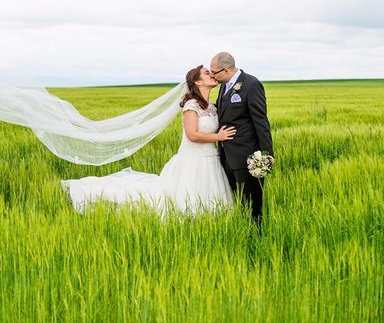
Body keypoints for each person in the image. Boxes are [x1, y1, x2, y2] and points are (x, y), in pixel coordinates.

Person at [61, 65, 237, 215]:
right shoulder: (191, 106)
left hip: (211, 160)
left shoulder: (212, 107)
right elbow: (192, 135)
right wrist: (218, 137)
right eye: (207, 72)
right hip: (192, 160)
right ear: (198, 82)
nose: (212, 74)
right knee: (180, 201)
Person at [210, 52, 273, 229]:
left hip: (248, 155)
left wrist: (267, 154)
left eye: (215, 72)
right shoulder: (224, 86)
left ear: (227, 70)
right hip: (226, 155)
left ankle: (256, 235)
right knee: (236, 200)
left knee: (252, 202)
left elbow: (261, 121)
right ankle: (241, 231)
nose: (212, 76)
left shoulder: (251, 84)